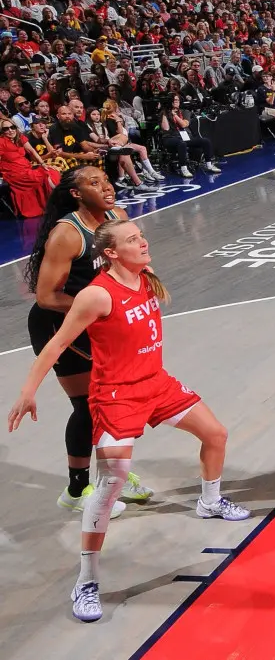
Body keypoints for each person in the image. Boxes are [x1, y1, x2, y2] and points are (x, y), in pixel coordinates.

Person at [9, 219, 250, 622]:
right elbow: (56, 344)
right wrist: (27, 391)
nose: (143, 241)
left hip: (156, 384)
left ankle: (210, 502)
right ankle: (86, 580)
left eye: (141, 236)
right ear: (110, 254)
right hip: (117, 396)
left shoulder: (146, 275)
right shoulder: (96, 295)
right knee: (111, 483)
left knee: (216, 433)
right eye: (133, 240)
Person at [23, 167, 148, 515]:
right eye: (93, 183)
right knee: (88, 407)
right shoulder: (68, 233)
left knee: (115, 403)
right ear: (76, 193)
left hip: (101, 323)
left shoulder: (117, 219)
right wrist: (100, 309)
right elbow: (46, 296)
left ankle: (112, 478)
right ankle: (77, 489)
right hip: (60, 323)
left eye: (106, 179)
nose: (105, 186)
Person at [0, 116, 60, 217]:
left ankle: (55, 203)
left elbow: (32, 151)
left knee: (51, 171)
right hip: (14, 173)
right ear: (2, 131)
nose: (10, 130)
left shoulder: (20, 137)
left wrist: (43, 164)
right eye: (6, 129)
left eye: (12, 127)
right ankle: (55, 203)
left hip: (26, 167)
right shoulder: (1, 142)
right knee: (44, 176)